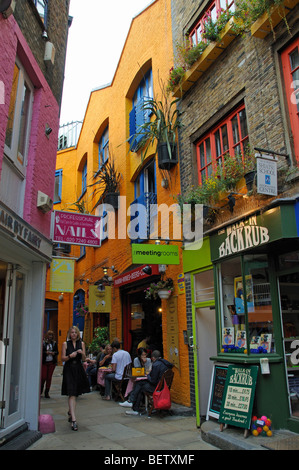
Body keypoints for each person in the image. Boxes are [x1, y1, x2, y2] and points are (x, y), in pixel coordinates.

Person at [125, 350, 173, 415]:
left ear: (153, 358)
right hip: (164, 387)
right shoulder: (166, 364)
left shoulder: (156, 365)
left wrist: (148, 375)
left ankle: (134, 406)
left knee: (139, 385)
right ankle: (132, 401)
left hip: (157, 388)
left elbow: (153, 380)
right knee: (140, 383)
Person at [61, 326, 90, 431]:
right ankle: (74, 420)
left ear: (78, 334)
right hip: (69, 369)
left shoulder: (81, 344)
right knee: (71, 393)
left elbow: (84, 359)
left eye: (75, 332)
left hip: (78, 369)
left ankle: (70, 411)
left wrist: (82, 353)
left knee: (75, 393)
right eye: (72, 332)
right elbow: (62, 358)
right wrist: (70, 356)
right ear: (69, 334)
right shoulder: (65, 344)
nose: (73, 334)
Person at [41, 330, 59, 398]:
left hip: (51, 363)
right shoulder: (43, 343)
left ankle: (47, 392)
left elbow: (57, 352)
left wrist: (53, 353)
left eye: (51, 335)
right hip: (45, 362)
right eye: (49, 335)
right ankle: (41, 389)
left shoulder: (54, 343)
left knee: (49, 378)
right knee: (43, 377)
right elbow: (41, 351)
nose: (50, 337)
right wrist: (46, 353)